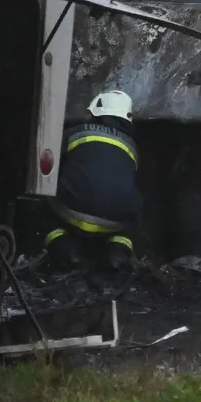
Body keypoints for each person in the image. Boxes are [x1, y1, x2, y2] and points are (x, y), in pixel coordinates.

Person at [43, 90, 142, 272]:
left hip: (71, 212)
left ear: (96, 110)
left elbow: (50, 167)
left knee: (42, 200)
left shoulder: (74, 133)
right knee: (130, 213)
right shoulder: (132, 146)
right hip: (115, 223)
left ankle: (65, 251)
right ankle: (117, 254)